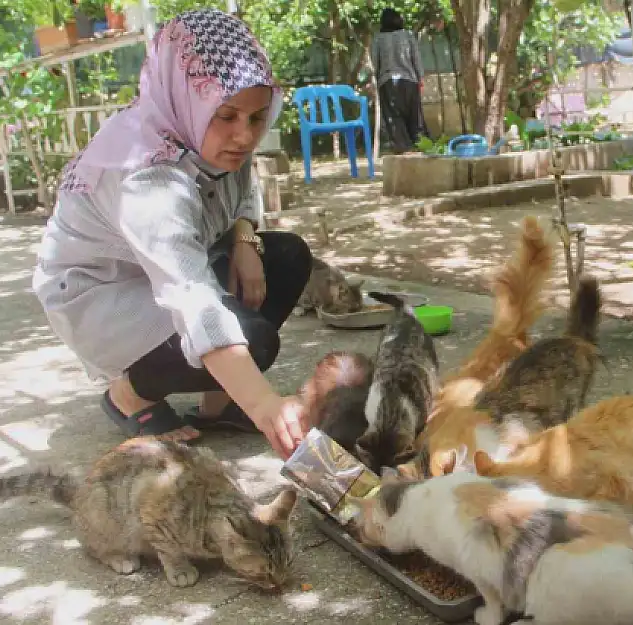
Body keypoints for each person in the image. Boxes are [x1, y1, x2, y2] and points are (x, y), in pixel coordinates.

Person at [32, 9, 311, 459]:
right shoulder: (147, 174)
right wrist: (265, 406)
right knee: (251, 340)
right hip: (102, 296)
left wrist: (245, 241)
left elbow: (240, 198)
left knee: (286, 257)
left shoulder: (205, 140)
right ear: (187, 99)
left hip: (168, 270)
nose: (244, 136)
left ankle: (218, 404)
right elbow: (190, 295)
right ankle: (130, 394)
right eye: (226, 115)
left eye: (258, 118)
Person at [371, 7, 428, 154]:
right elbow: (417, 59)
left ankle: (404, 150)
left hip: (388, 83)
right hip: (410, 81)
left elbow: (375, 64)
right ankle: (420, 148)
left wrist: (373, 83)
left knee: (394, 118)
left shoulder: (378, 39)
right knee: (415, 118)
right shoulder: (408, 35)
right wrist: (420, 78)